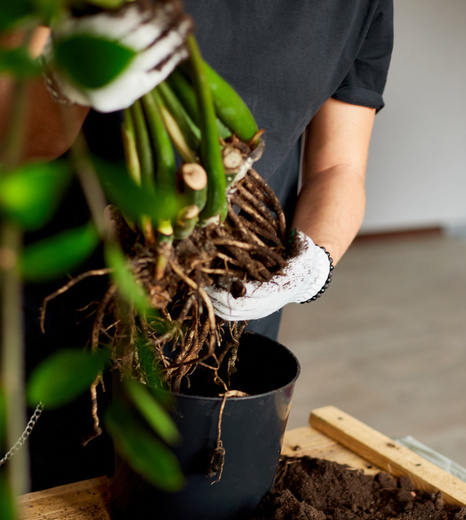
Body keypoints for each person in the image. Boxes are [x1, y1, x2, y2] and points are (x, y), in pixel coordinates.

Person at [0, 0, 393, 488]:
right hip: (66, 301)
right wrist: (67, 78)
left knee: (190, 497)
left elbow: (340, 168)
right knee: (42, 489)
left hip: (230, 309)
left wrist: (312, 262)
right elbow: (10, 134)